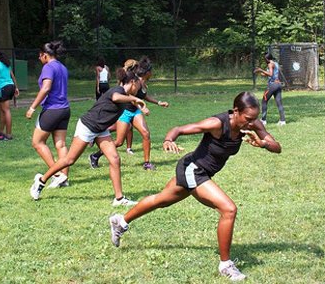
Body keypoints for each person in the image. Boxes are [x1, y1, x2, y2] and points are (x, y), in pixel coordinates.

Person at [109, 92, 281, 281]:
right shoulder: (216, 124)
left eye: (254, 119)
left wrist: (263, 143)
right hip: (194, 169)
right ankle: (226, 265)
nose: (252, 123)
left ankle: (120, 221)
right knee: (229, 209)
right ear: (236, 111)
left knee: (161, 200)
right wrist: (168, 140)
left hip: (200, 172)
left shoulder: (252, 124)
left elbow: (277, 147)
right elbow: (179, 129)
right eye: (248, 119)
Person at [30, 67, 147, 206]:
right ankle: (41, 181)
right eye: (138, 86)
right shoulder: (118, 91)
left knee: (115, 159)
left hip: (101, 129)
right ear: (133, 82)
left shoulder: (125, 96)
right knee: (69, 160)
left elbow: (127, 101)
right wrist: (134, 98)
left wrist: (140, 103)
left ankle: (119, 199)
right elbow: (116, 98)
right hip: (88, 126)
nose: (138, 90)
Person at [89, 56, 169, 171]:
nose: (152, 74)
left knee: (146, 134)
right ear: (148, 73)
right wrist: (142, 107)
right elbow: (129, 96)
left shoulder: (143, 83)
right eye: (151, 72)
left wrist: (158, 102)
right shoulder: (135, 81)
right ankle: (95, 156)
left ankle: (147, 163)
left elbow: (143, 96)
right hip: (125, 111)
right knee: (119, 142)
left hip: (135, 111)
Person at [26, 41, 71, 189]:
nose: (39, 59)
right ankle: (64, 179)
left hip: (52, 110)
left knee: (37, 142)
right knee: (60, 144)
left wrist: (32, 107)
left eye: (40, 56)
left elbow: (46, 88)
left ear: (45, 55)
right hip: (65, 109)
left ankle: (58, 175)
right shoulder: (62, 67)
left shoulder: (48, 67)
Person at [0, 49, 19, 140]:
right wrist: (16, 88)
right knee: (1, 109)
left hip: (3, 88)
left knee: (6, 110)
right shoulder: (5, 63)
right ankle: (1, 132)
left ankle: (8, 135)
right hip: (11, 86)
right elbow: (12, 76)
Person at [254, 53, 286, 126]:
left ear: (267, 59)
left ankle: (263, 120)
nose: (265, 60)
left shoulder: (270, 64)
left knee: (264, 101)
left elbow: (271, 74)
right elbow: (270, 74)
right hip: (278, 84)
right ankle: (282, 121)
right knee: (279, 102)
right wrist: (259, 72)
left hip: (272, 85)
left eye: (265, 59)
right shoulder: (275, 64)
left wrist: (261, 69)